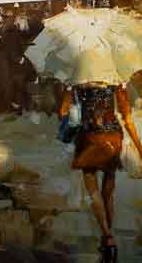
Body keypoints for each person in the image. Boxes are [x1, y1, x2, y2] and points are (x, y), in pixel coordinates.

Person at [59, 82, 142, 262]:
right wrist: (140, 148)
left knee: (92, 190)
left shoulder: (76, 83)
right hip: (113, 138)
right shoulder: (116, 83)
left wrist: (68, 91)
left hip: (89, 138)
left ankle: (107, 237)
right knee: (108, 193)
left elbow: (63, 113)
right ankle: (108, 239)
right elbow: (127, 119)